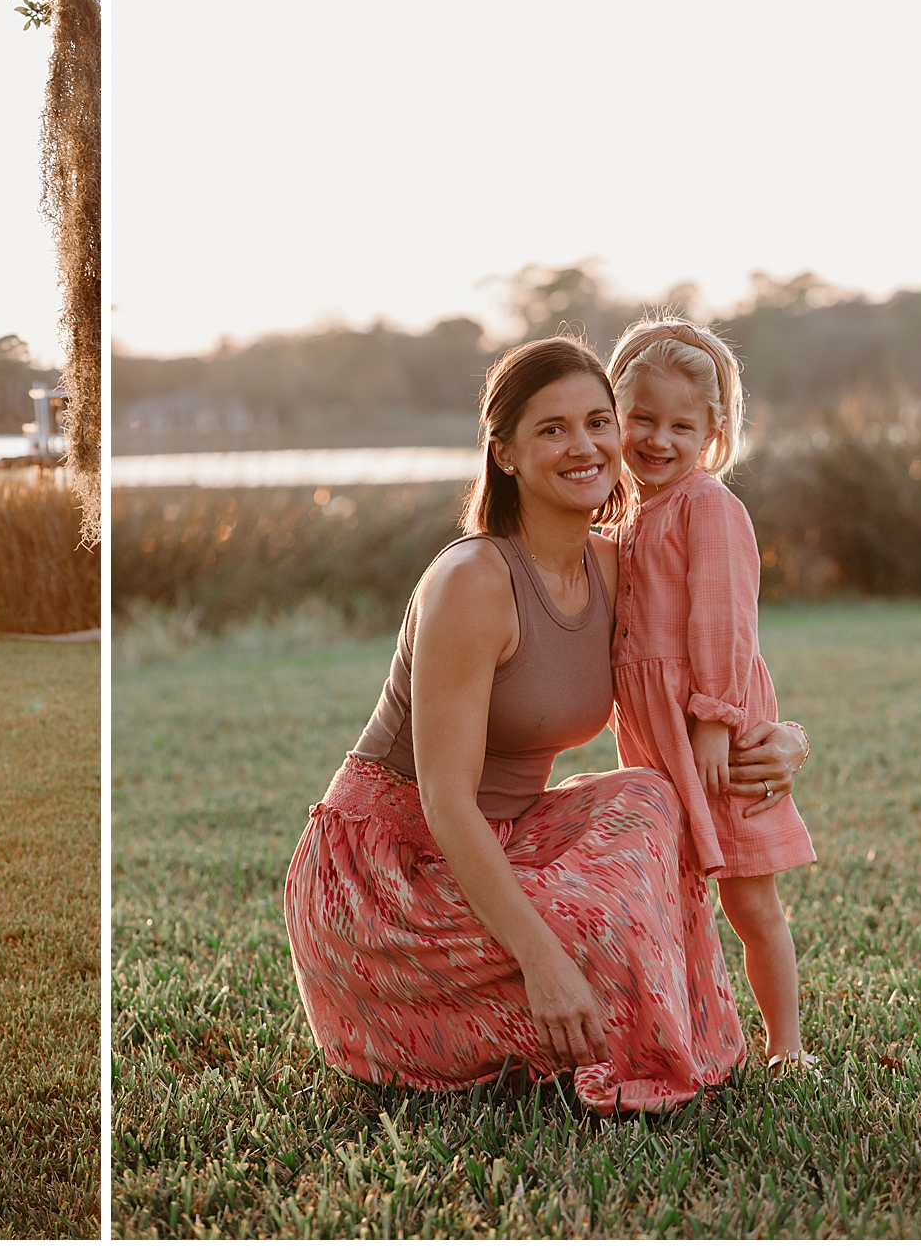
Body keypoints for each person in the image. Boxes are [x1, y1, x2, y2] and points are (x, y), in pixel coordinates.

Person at [283, 337, 808, 1113]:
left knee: (650, 802)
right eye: (553, 429)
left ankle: (611, 1010)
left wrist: (786, 738)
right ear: (505, 453)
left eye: (599, 421)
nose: (586, 445)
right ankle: (502, 1003)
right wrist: (543, 961)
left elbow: (710, 647)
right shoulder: (473, 582)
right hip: (391, 879)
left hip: (506, 840)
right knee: (587, 937)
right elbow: (446, 803)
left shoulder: (613, 565)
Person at [605, 318, 818, 1073]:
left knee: (751, 903)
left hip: (713, 732)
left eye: (680, 426)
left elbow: (724, 622)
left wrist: (716, 722)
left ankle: (786, 1046)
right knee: (679, 900)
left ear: (712, 432)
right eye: (643, 419)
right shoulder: (627, 518)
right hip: (654, 737)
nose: (658, 439)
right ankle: (691, 1031)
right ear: (616, 417)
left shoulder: (708, 506)